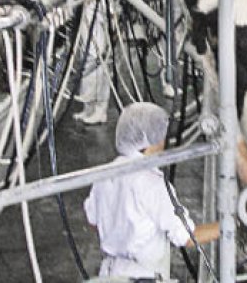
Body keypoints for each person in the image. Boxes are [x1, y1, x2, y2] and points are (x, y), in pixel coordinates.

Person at [84, 102, 220, 280]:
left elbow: (93, 221)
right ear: (151, 140)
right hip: (144, 276)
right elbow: (186, 236)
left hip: (110, 273)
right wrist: (230, 225)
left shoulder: (105, 173)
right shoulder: (152, 183)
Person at [74, 0, 112, 125]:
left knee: (99, 77)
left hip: (97, 46)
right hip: (86, 44)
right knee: (86, 78)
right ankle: (88, 109)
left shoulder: (99, 0)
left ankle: (100, 112)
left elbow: (109, 18)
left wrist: (107, 45)